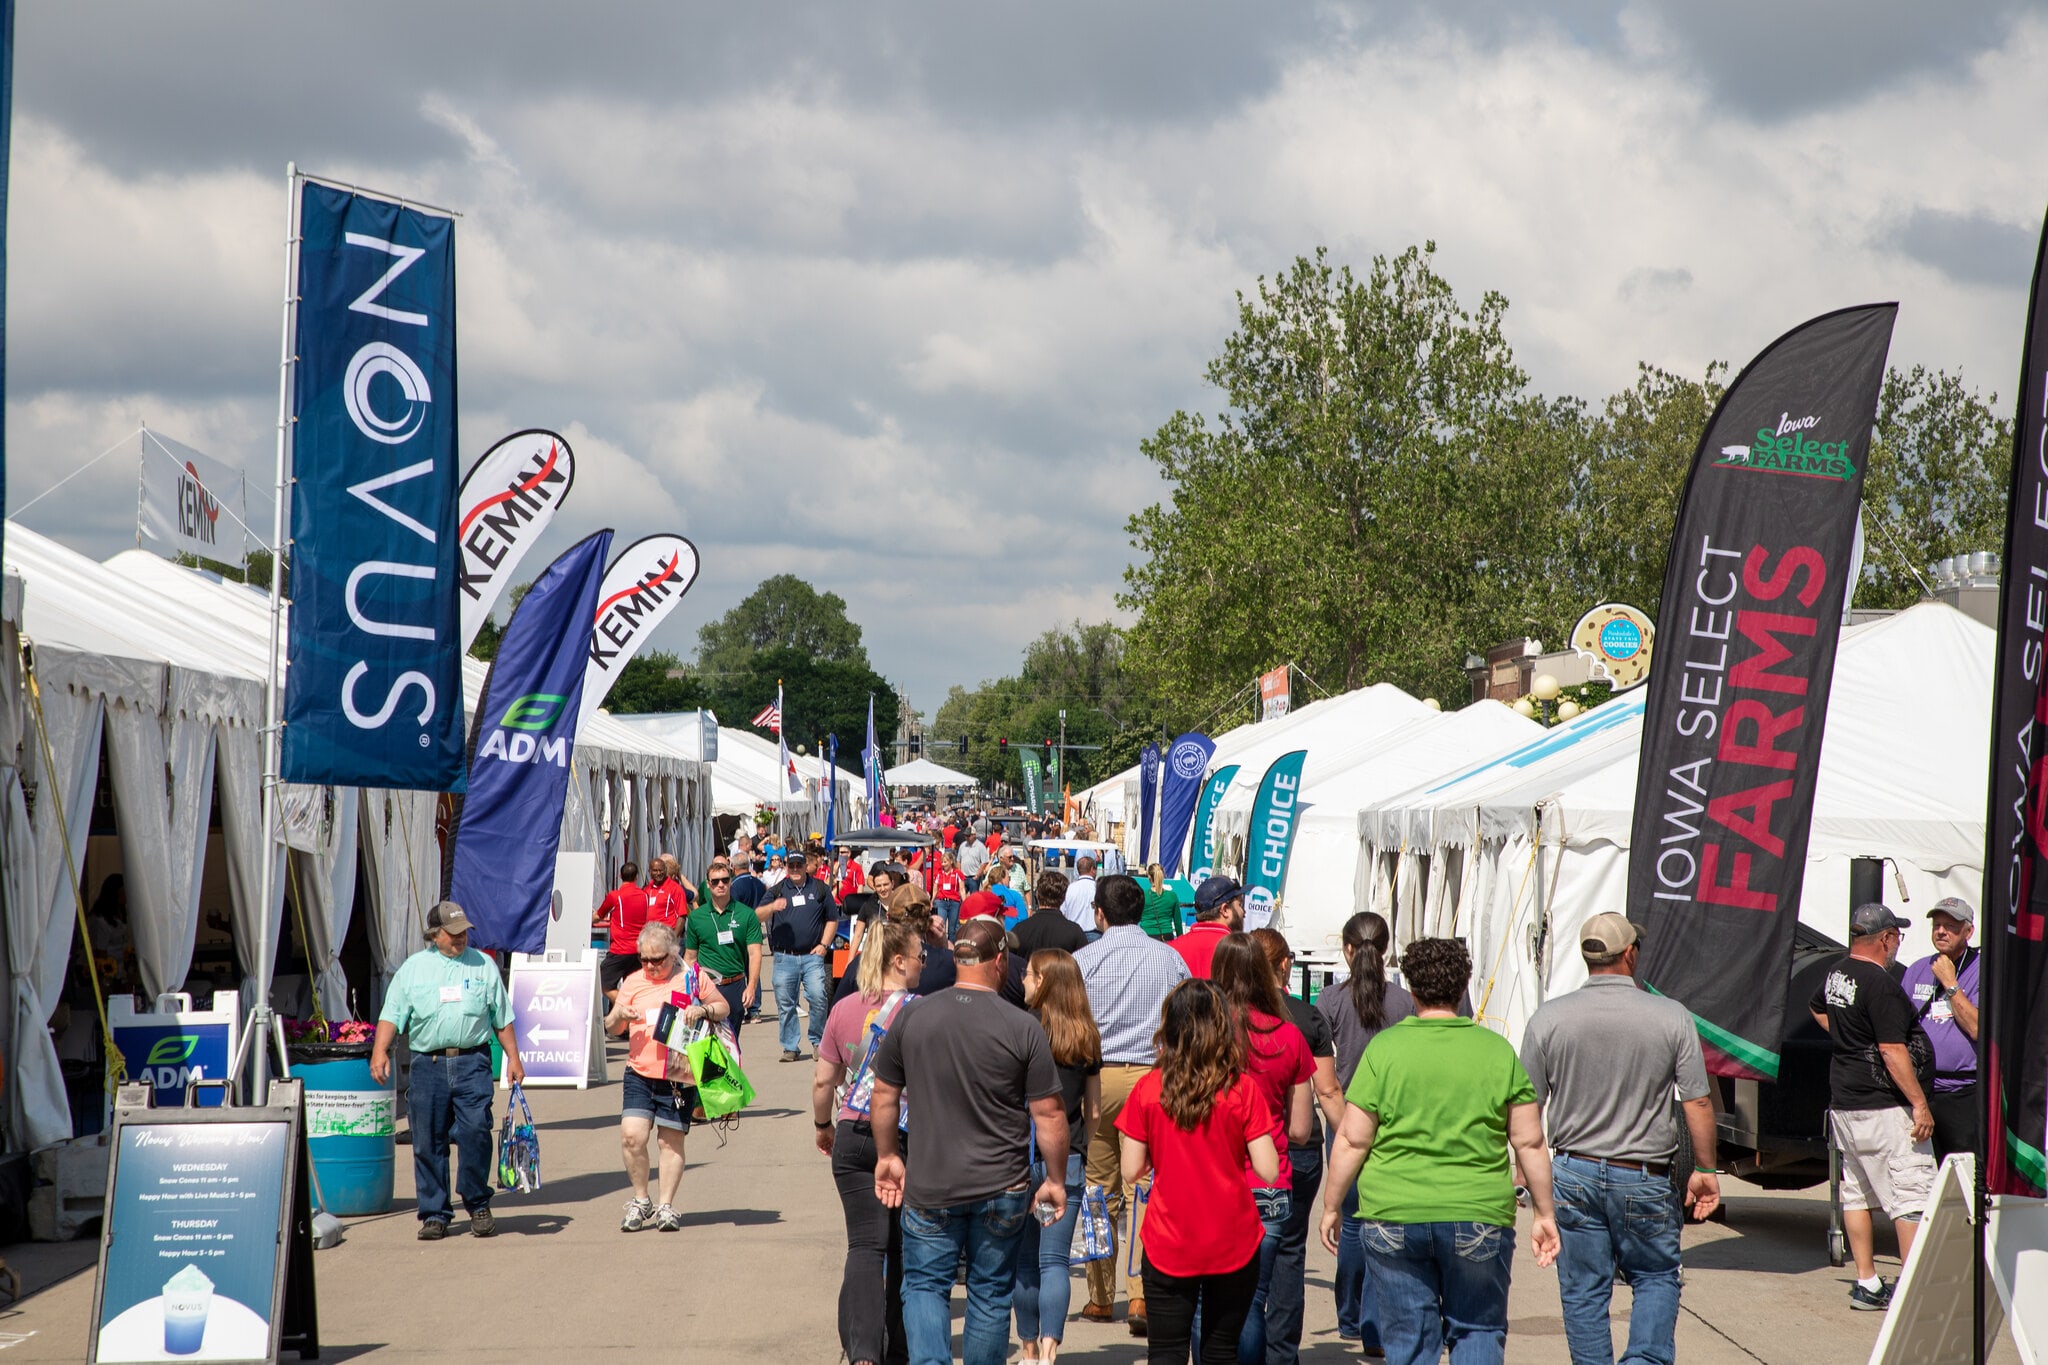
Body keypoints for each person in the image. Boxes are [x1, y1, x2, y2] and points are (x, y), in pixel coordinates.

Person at [1320, 937, 1558, 1365]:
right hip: (1477, 1213)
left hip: (1393, 1212)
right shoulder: (1496, 1051)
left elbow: (1354, 1139)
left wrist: (1332, 1204)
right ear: (1464, 985)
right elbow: (1529, 1141)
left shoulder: (1384, 1051)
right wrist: (1544, 1212)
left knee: (1410, 1339)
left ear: (1411, 988)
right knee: (1477, 1330)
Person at [1519, 912, 1721, 1365]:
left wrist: (1530, 1180)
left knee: (1584, 1290)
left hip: (1572, 1171)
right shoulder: (1671, 1016)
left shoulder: (1549, 1018)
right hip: (1643, 1175)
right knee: (1655, 1276)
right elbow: (1698, 1103)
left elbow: (1526, 1109)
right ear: (1629, 953)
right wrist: (1705, 1169)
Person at [870, 919, 1070, 1365]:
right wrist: (1056, 1178)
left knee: (924, 1286)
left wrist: (887, 1155)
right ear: (999, 961)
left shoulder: (914, 1015)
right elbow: (1050, 1113)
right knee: (990, 1291)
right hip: (1002, 1186)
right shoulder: (1022, 1026)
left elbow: (883, 1093)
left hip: (930, 1184)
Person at [1115, 979, 1283, 1365]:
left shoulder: (1148, 1089)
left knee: (1166, 1352)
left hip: (1168, 1238)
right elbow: (1269, 1170)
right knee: (1220, 1352)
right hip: (1232, 1239)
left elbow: (1130, 1170)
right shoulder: (1242, 1089)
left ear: (1170, 1027)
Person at [1074, 873, 1192, 1335]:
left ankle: (1101, 1297)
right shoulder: (1170, 959)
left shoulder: (1084, 960)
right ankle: (1140, 1291)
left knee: (1098, 1186)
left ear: (1099, 914)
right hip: (1152, 1078)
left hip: (1097, 1079)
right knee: (1143, 1186)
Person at [1808, 902, 1937, 1310]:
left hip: (1846, 1102)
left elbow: (1816, 1008)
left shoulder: (1836, 973)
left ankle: (1867, 1282)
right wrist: (1919, 1104)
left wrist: (1848, 1039)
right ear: (1884, 940)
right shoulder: (1880, 983)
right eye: (1896, 935)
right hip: (1883, 1106)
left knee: (1858, 1193)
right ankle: (1915, 1292)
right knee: (1911, 1193)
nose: (1898, 941)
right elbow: (1892, 1049)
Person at [370, 901, 524, 1240]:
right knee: (427, 1141)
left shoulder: (483, 965)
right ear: (434, 935)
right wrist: (379, 1051)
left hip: (473, 1062)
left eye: (463, 932)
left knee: (476, 1134)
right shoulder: (413, 969)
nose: (459, 939)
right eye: (452, 933)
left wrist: (513, 1058)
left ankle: (477, 1203)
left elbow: (502, 1017)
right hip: (429, 1065)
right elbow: (392, 1013)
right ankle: (435, 1214)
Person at [815, 919, 926, 1365]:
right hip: (903, 1135)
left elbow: (824, 1080)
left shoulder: (844, 1009)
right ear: (898, 961)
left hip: (853, 1132)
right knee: (901, 1246)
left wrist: (823, 1124)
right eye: (920, 955)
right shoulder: (921, 1011)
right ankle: (897, 1346)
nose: (924, 963)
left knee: (864, 1245)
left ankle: (862, 1351)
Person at [1211, 933, 1315, 1365]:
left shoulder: (1206, 1033)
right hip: (1268, 1182)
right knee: (1253, 1298)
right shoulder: (1289, 1036)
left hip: (1211, 1178)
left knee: (1208, 1301)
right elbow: (1301, 1129)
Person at [1314, 912, 1413, 1352]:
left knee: (1351, 1223)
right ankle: (1375, 1326)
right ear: (1386, 950)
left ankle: (1349, 1317)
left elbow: (1322, 1071)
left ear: (1348, 950)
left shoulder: (1330, 1000)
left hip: (1346, 1117)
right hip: (1395, 1122)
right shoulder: (1406, 1003)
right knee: (1383, 1223)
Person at [1251, 928, 1347, 1365]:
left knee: (1244, 1254)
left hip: (1243, 1146)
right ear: (1285, 964)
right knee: (1290, 1250)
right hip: (1298, 1147)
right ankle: (1282, 1353)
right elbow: (1327, 1092)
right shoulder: (1306, 1018)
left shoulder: (1229, 1013)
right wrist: (1349, 1145)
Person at [602, 921, 728, 1232]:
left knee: (670, 1143)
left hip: (678, 1074)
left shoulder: (692, 978)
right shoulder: (632, 982)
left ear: (673, 954)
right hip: (639, 1073)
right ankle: (640, 1199)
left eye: (657, 959)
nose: (650, 965)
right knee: (632, 1136)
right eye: (644, 958)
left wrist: (704, 1011)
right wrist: (619, 1015)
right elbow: (611, 1026)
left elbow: (723, 1007)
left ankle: (666, 1206)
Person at [1013, 950, 1103, 1364]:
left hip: (1019, 1153)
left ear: (1045, 980)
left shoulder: (1022, 1027)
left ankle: (1028, 1348)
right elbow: (1095, 1110)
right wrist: (1082, 1144)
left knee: (1024, 1260)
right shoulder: (1086, 1034)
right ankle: (1051, 1349)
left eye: (1030, 975)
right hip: (1066, 1157)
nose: (1024, 981)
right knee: (1055, 1261)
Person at [1898, 896, 1980, 1160]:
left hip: (1963, 1094)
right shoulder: (1917, 969)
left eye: (1951, 926)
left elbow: (1977, 1028)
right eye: (1937, 925)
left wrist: (1949, 981)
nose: (1942, 931)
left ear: (1968, 932)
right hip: (1922, 1092)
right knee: (1922, 1174)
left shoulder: (1983, 969)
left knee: (1965, 1176)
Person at [756, 848, 838, 1062]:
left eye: (798, 865)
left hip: (812, 956)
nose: (794, 869)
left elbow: (832, 919)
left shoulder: (820, 888)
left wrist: (824, 945)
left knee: (819, 997)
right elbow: (756, 915)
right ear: (786, 867)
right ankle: (790, 1046)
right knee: (785, 1003)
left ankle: (819, 1041)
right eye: (790, 865)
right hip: (785, 957)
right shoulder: (777, 890)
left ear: (805, 866)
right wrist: (773, 907)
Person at [835, 886, 958, 1004]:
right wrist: (943, 945)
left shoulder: (863, 962)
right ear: (928, 919)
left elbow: (837, 1011)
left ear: (887, 917)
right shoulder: (947, 963)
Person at [683, 862, 764, 1039]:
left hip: (734, 984)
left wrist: (751, 987)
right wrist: (685, 990)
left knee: (731, 1042)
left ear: (731, 882)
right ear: (708, 884)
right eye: (715, 881)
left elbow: (755, 953)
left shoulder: (746, 914)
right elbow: (690, 957)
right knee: (705, 1041)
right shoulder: (697, 917)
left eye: (725, 880)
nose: (720, 884)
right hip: (707, 987)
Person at [595, 860, 651, 1002]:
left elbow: (598, 916)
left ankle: (626, 1007)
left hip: (619, 950)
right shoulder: (645, 896)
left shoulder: (615, 896)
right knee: (632, 987)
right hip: (638, 950)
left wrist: (585, 920)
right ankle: (628, 1016)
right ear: (636, 877)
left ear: (620, 876)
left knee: (602, 982)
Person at [1173, 876, 1246, 979]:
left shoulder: (1172, 949)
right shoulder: (1242, 951)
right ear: (1225, 909)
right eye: (1240, 905)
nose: (1244, 912)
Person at [1141, 864, 1184, 941]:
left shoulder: (1143, 895)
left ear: (1149, 877)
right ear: (1163, 876)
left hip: (1146, 934)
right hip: (1166, 935)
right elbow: (1178, 923)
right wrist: (1181, 940)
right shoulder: (1172, 896)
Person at [1059, 856, 1100, 936]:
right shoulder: (1098, 888)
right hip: (1094, 933)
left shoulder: (1070, 888)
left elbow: (1062, 911)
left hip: (1073, 932)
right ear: (1092, 869)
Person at [932, 853, 965, 938]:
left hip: (954, 902)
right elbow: (935, 889)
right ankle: (941, 948)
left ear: (951, 862)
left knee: (952, 929)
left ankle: (951, 948)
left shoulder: (958, 873)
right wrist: (931, 901)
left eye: (945, 862)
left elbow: (962, 889)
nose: (943, 864)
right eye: (942, 862)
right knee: (940, 926)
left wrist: (965, 901)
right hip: (941, 902)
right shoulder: (939, 874)